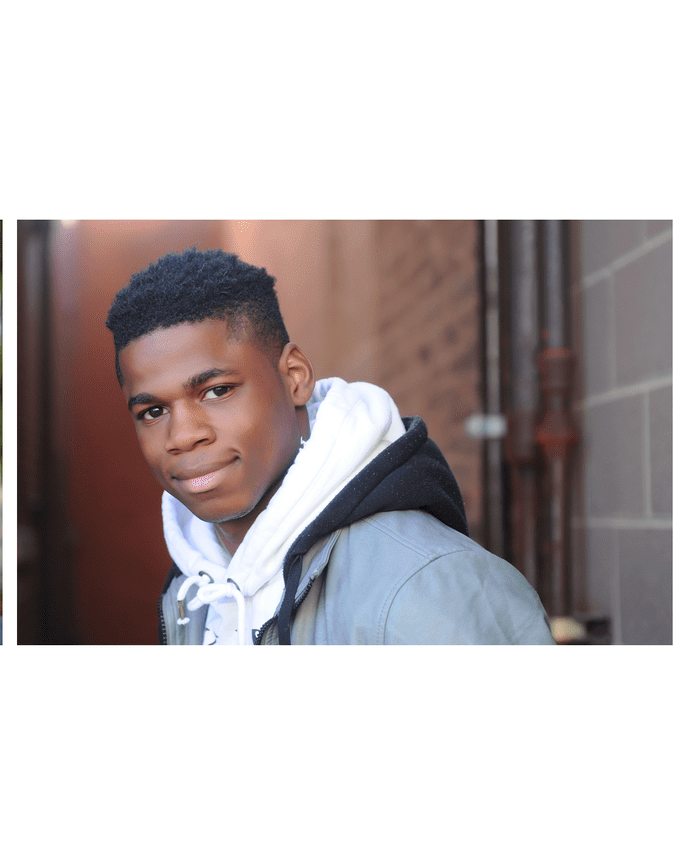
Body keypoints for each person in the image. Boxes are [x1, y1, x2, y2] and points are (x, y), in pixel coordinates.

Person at [104, 248, 552, 645]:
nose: (182, 436)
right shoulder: (195, 585)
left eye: (217, 391)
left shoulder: (424, 585)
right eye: (153, 412)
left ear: (294, 378)